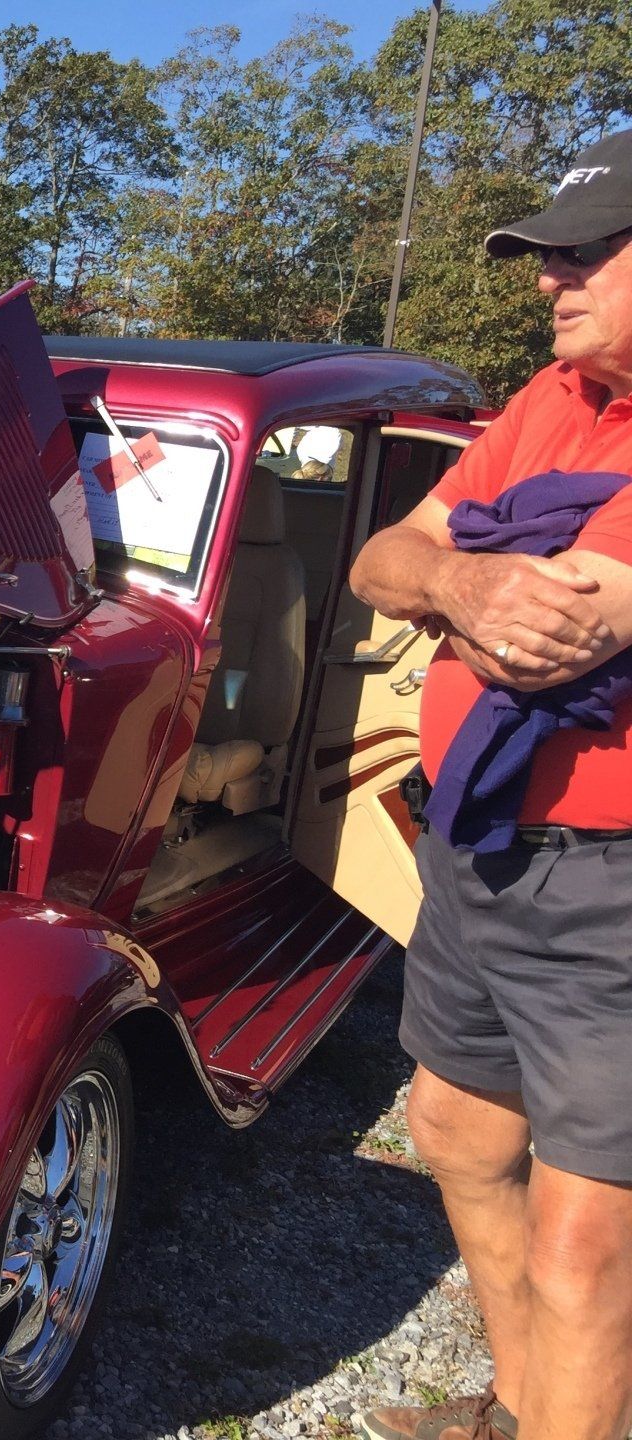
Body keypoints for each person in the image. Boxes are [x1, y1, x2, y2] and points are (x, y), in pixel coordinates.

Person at [350, 130, 632, 1440]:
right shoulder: (547, 406)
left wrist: (464, 583)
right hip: (483, 841)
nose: (548, 281)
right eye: (546, 255)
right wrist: (465, 581)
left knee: (589, 1244)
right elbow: (385, 562)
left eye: (583, 252)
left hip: (612, 890)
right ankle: (522, 1407)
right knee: (455, 1126)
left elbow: (567, 629)